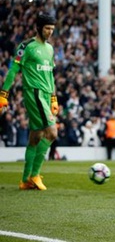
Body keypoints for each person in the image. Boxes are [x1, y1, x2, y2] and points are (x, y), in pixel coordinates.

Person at [0, 12, 59, 190]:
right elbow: (13, 70)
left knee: (36, 137)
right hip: (34, 93)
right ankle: (34, 175)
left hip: (46, 95)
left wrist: (54, 98)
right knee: (52, 133)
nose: (50, 32)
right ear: (39, 27)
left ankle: (25, 180)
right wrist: (4, 93)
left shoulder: (49, 49)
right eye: (47, 28)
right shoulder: (26, 46)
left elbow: (50, 75)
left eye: (52, 29)